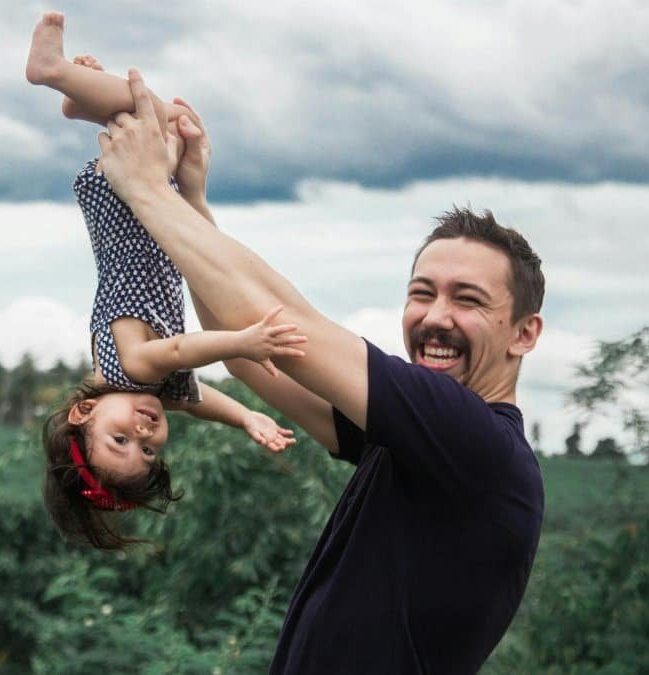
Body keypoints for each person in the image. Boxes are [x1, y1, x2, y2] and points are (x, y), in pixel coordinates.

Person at [96, 68, 546, 673]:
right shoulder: (416, 448)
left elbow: (286, 327)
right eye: (422, 293)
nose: (435, 317)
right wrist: (192, 201)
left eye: (467, 300)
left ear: (525, 332)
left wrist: (149, 193)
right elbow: (253, 355)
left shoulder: (477, 445)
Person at [27, 13, 308, 551]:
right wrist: (247, 416)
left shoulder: (130, 364)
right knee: (168, 126)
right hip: (152, 218)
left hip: (129, 208)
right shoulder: (147, 390)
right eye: (149, 449)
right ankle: (83, 102)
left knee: (160, 114)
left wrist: (245, 342)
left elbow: (184, 348)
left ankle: (51, 71)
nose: (144, 431)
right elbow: (196, 401)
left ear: (84, 412)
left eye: (119, 439)